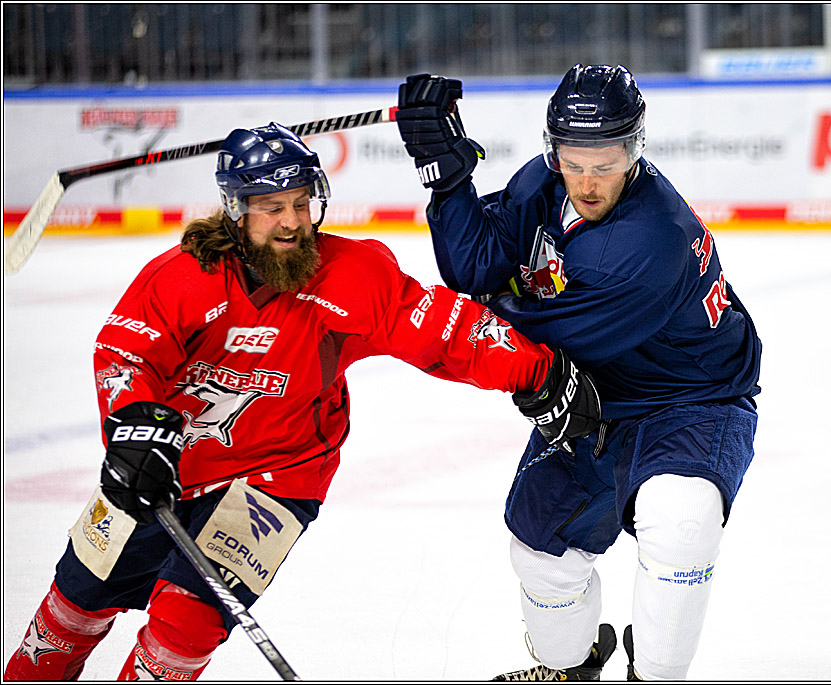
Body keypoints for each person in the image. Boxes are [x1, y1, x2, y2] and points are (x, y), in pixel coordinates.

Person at [4, 122, 600, 681]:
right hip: (164, 466)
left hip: (279, 478)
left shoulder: (352, 275)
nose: (291, 222)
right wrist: (132, 425)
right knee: (69, 613)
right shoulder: (182, 277)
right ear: (236, 212)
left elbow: (444, 329)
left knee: (182, 634)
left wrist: (540, 371)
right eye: (271, 208)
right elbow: (126, 354)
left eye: (300, 203)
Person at [396, 65, 762, 680]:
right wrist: (447, 172)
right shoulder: (544, 182)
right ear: (552, 149)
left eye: (606, 162)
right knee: (541, 553)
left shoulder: (650, 240)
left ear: (635, 151)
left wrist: (471, 314)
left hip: (692, 398)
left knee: (680, 516)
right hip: (602, 391)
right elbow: (477, 266)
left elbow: (543, 331)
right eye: (574, 160)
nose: (588, 182)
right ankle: (569, 666)